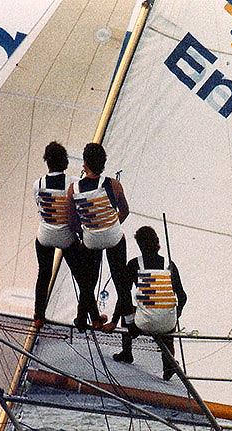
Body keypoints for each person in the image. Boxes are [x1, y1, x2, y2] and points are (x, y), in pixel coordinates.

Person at [33, 142, 105, 330]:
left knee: (44, 274)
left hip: (45, 235)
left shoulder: (38, 184)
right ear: (64, 161)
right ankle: (95, 318)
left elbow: (40, 207)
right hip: (66, 237)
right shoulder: (72, 183)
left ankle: (38, 316)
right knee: (83, 280)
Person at [67, 143, 134, 331]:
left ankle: (82, 320)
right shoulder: (113, 184)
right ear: (103, 163)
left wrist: (89, 230)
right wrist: (110, 225)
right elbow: (125, 210)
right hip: (113, 236)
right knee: (120, 278)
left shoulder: (74, 189)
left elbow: (72, 222)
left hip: (91, 240)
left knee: (88, 282)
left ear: (85, 163)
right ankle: (128, 320)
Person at [110, 225, 187, 381]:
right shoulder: (169, 264)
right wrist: (174, 316)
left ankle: (127, 352)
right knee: (166, 312)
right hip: (167, 324)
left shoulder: (134, 265)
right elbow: (183, 297)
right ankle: (168, 366)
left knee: (130, 308)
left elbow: (123, 296)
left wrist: (118, 321)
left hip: (143, 323)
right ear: (157, 242)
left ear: (139, 245)